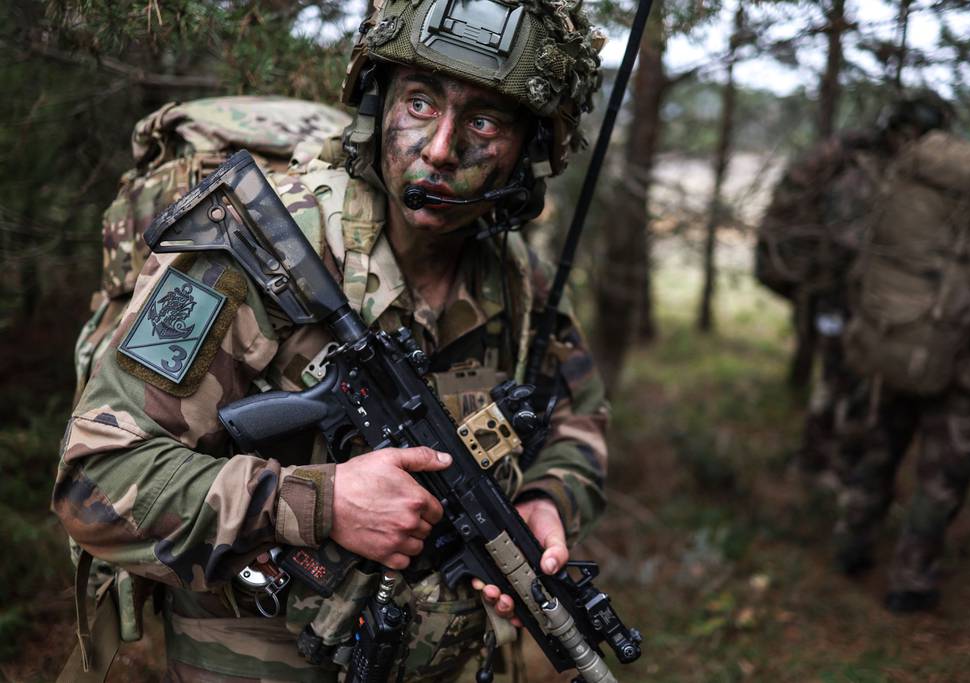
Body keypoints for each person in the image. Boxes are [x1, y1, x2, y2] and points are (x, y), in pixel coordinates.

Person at [52, 1, 610, 681]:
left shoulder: (521, 281)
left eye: (484, 121)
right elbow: (96, 480)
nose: (439, 147)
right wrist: (325, 501)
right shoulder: (261, 249)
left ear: (530, 152)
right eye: (420, 102)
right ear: (379, 104)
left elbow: (578, 422)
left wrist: (546, 498)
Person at [832, 97, 970, 613]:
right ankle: (911, 579)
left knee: (879, 448)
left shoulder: (918, 204)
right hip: (965, 366)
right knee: (942, 475)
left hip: (901, 338)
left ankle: (851, 546)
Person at [755, 93, 953, 489]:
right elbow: (850, 242)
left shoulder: (875, 170)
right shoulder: (863, 174)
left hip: (843, 297)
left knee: (843, 381)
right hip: (839, 297)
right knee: (842, 380)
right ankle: (825, 465)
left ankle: (823, 461)